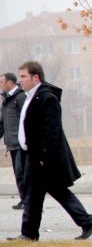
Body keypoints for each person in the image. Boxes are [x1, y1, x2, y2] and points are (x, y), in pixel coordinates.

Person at [7, 61, 92, 241]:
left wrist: (43, 156)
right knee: (44, 193)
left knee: (39, 194)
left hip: (42, 157)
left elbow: (51, 131)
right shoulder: (30, 96)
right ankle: (85, 221)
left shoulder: (47, 98)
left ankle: (29, 234)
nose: (20, 81)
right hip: (31, 155)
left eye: (24, 76)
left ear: (36, 77)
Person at [0, 73, 27, 210]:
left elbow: (27, 118)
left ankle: (27, 201)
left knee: (21, 172)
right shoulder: (6, 100)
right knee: (18, 174)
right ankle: (24, 200)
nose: (0, 84)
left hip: (21, 143)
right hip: (11, 144)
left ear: (10, 83)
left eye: (2, 82)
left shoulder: (20, 97)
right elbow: (2, 123)